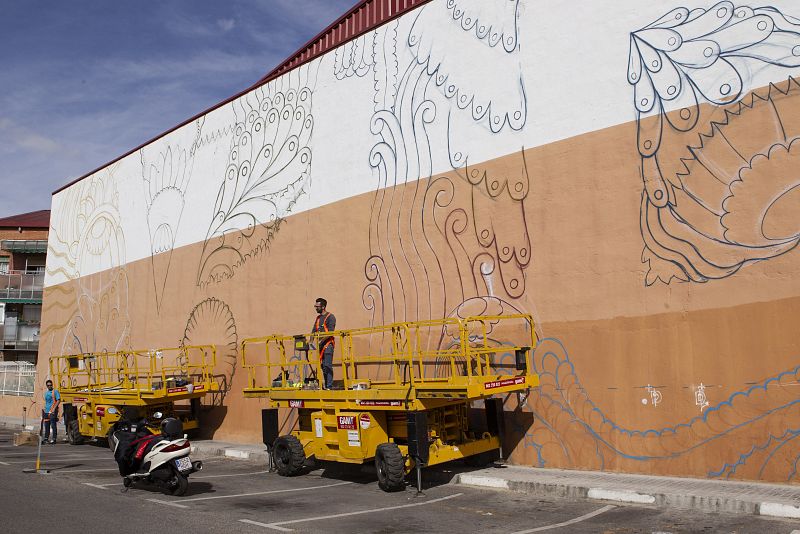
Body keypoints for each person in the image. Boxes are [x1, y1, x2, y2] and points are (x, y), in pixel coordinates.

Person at [311, 297, 336, 390]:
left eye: (317, 306)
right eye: (315, 306)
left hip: (328, 345)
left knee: (327, 365)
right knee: (323, 366)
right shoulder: (318, 318)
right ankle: (326, 385)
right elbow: (313, 330)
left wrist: (322, 341)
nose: (316, 308)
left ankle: (329, 386)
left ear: (323, 307)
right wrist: (310, 342)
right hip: (321, 346)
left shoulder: (330, 317)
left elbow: (330, 332)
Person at [42, 379, 61, 444]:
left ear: (52, 385)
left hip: (52, 412)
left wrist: (54, 409)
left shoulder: (55, 392)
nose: (49, 386)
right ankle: (46, 438)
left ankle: (54, 439)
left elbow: (58, 400)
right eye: (48, 385)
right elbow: (47, 402)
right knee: (46, 425)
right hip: (46, 411)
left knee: (53, 425)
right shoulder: (46, 393)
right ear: (46, 386)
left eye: (50, 385)